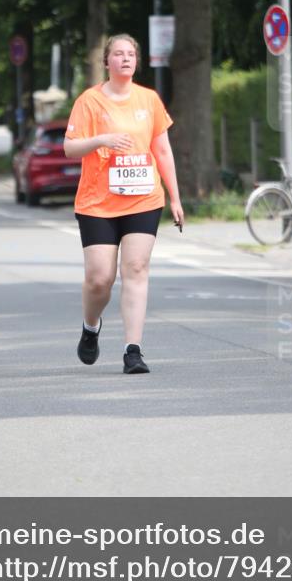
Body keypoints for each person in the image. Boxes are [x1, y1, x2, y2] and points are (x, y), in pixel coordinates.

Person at [64, 34, 184, 374]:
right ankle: (91, 326)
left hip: (144, 197)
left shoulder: (149, 100)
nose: (125, 59)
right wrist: (101, 139)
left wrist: (175, 197)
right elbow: (70, 148)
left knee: (135, 270)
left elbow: (162, 150)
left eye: (131, 54)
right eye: (118, 54)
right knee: (100, 279)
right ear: (106, 62)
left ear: (137, 61)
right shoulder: (89, 101)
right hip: (97, 203)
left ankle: (133, 350)